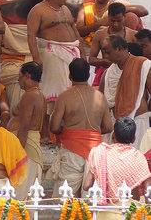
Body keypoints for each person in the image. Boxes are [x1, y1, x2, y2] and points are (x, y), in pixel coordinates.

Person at [48, 58, 113, 197]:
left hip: (71, 152)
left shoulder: (65, 97)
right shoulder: (100, 97)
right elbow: (108, 126)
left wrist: (68, 132)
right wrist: (92, 133)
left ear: (70, 75)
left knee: (64, 200)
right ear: (88, 75)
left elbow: (54, 127)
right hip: (95, 152)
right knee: (91, 202)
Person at [27, 0, 82, 133]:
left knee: (69, 95)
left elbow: (74, 31)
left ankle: (65, 132)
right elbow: (31, 35)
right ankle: (46, 133)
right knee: (49, 96)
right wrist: (37, 59)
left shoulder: (65, 9)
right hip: (52, 56)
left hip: (72, 54)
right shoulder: (38, 10)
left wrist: (82, 53)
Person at [84, 118, 151, 216]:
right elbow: (148, 191)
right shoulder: (138, 157)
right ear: (134, 138)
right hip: (130, 212)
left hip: (105, 212)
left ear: (113, 135)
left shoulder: (100, 154)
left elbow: (86, 185)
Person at [100, 35, 151, 148]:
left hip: (139, 124)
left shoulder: (143, 65)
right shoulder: (108, 73)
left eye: (108, 52)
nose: (105, 56)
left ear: (120, 49)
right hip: (116, 126)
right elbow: (101, 101)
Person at [7, 62, 46, 200]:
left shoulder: (30, 95)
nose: (18, 80)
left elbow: (25, 125)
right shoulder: (38, 94)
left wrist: (18, 151)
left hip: (26, 145)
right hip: (29, 142)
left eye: (20, 76)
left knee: (21, 190)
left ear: (27, 76)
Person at [76, 0, 147, 46]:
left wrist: (119, 9)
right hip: (90, 46)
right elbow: (78, 31)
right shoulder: (85, 7)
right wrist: (98, 24)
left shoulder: (117, 4)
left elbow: (143, 11)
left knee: (131, 16)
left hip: (114, 46)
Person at [89, 2, 137, 86]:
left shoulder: (133, 35)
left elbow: (139, 58)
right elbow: (91, 59)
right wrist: (104, 62)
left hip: (128, 75)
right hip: (106, 75)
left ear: (124, 17)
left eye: (119, 20)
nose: (115, 24)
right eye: (112, 20)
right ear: (108, 17)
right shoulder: (100, 34)